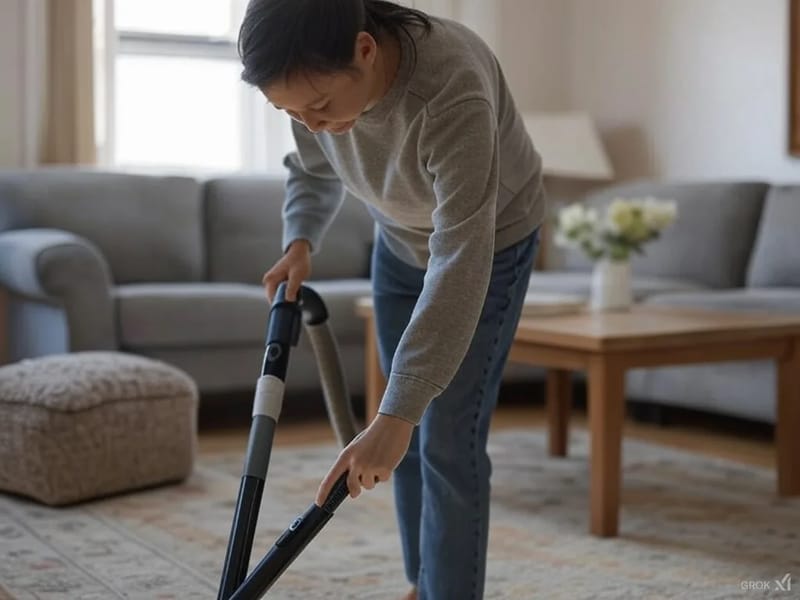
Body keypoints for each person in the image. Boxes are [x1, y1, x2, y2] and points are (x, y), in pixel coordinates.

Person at [238, 1, 545, 598]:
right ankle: (421, 582)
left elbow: (460, 255)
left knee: (444, 433)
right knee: (391, 433)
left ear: (365, 50)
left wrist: (401, 412)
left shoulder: (451, 90)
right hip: (399, 240)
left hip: (489, 242)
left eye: (320, 108)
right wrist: (300, 240)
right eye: (290, 111)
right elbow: (311, 165)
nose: (310, 122)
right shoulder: (307, 79)